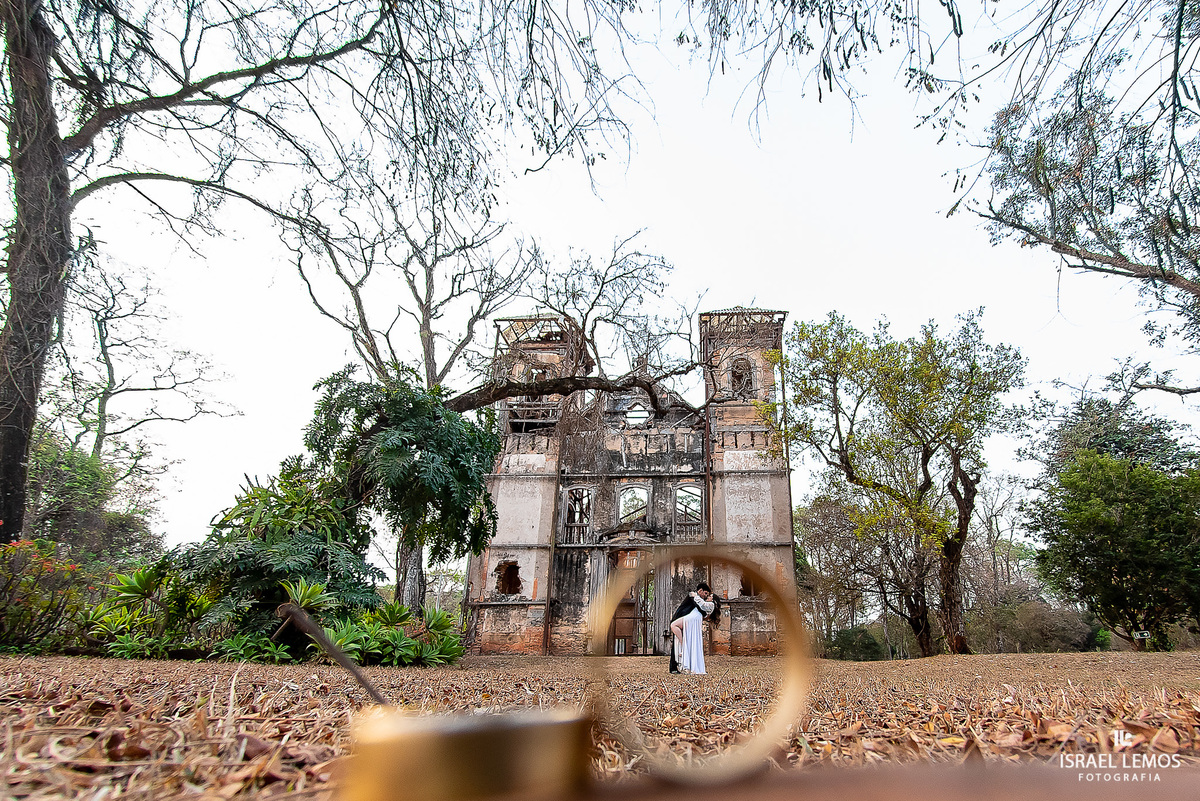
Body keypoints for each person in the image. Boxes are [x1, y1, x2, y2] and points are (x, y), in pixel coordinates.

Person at [667, 582, 720, 674]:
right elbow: (699, 607)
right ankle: (675, 667)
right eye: (706, 593)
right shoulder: (694, 596)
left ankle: (681, 665)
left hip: (689, 621)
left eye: (708, 595)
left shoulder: (704, 602)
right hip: (682, 618)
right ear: (700, 591)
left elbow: (701, 608)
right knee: (676, 644)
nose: (706, 596)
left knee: (680, 644)